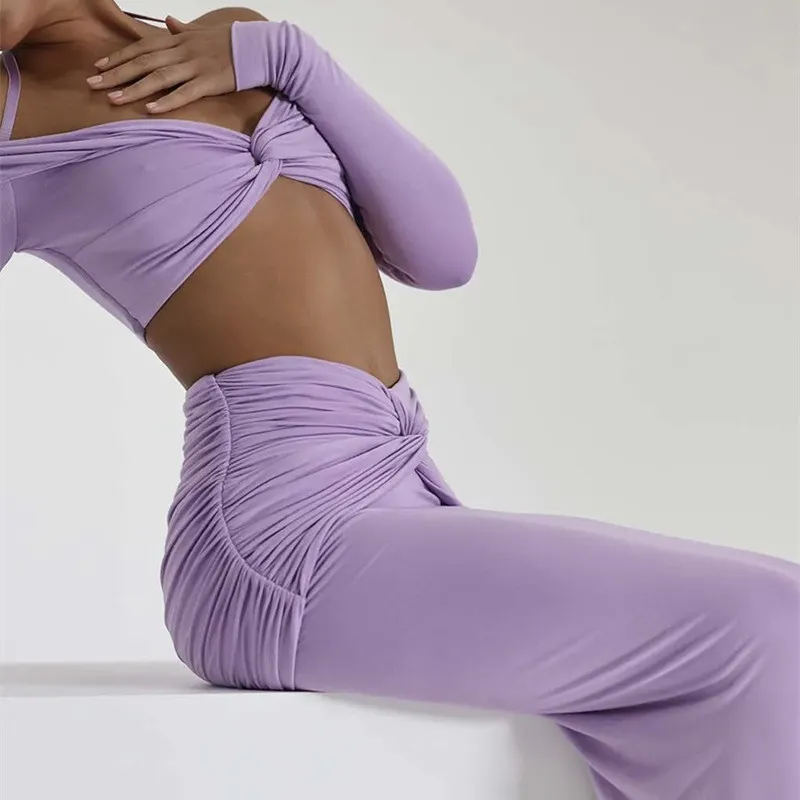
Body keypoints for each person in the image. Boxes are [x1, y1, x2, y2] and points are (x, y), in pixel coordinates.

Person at [0, 3, 797, 797]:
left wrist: (293, 61)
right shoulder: (11, 116)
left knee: (774, 617)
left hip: (397, 489)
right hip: (278, 540)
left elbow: (443, 254)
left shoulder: (238, 42)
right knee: (765, 620)